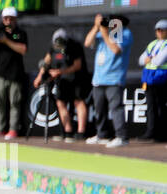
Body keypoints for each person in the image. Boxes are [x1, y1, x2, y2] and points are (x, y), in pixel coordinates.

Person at [32, 28, 89, 143]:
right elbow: (46, 61)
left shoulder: (74, 46)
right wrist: (39, 77)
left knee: (78, 102)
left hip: (77, 78)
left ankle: (81, 132)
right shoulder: (53, 46)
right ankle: (67, 132)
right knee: (60, 102)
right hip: (62, 80)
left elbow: (77, 66)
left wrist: (61, 72)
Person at [85, 13, 131, 148]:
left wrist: (104, 32)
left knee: (116, 108)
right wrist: (96, 27)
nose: (109, 24)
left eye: (112, 22)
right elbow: (87, 43)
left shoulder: (125, 33)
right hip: (99, 78)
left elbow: (116, 49)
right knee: (99, 109)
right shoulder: (103, 33)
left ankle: (122, 137)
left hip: (114, 78)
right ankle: (102, 135)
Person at [0, 6, 28, 139]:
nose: (8, 21)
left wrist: (6, 41)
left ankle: (13, 129)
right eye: (5, 18)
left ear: (15, 19)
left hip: (15, 74)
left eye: (11, 18)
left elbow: (23, 50)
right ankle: (0, 129)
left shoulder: (20, 33)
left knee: (15, 103)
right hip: (0, 74)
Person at [137, 19, 167, 143]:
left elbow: (158, 61)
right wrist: (151, 58)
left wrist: (150, 58)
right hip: (149, 79)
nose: (159, 32)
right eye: (157, 30)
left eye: (162, 30)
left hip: (162, 79)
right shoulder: (152, 44)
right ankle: (151, 132)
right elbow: (140, 60)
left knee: (161, 107)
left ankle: (161, 133)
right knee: (151, 107)